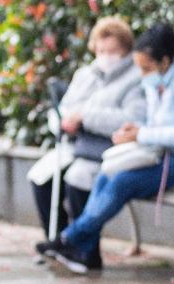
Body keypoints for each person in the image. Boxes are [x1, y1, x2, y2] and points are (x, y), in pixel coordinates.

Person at [42, 23, 174, 275]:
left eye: (146, 68)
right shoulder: (160, 81)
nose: (143, 75)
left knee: (123, 182)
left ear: (165, 61)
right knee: (108, 172)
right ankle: (78, 246)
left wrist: (142, 133)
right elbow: (156, 123)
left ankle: (69, 239)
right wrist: (134, 130)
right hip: (164, 154)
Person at [28, 17, 145, 261]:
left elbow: (132, 119)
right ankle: (60, 243)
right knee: (41, 179)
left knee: (78, 178)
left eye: (112, 51)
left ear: (126, 49)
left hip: (107, 148)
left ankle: (85, 252)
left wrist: (85, 117)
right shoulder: (86, 75)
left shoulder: (136, 78)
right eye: (101, 50)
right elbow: (63, 108)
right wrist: (61, 122)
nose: (105, 56)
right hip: (76, 144)